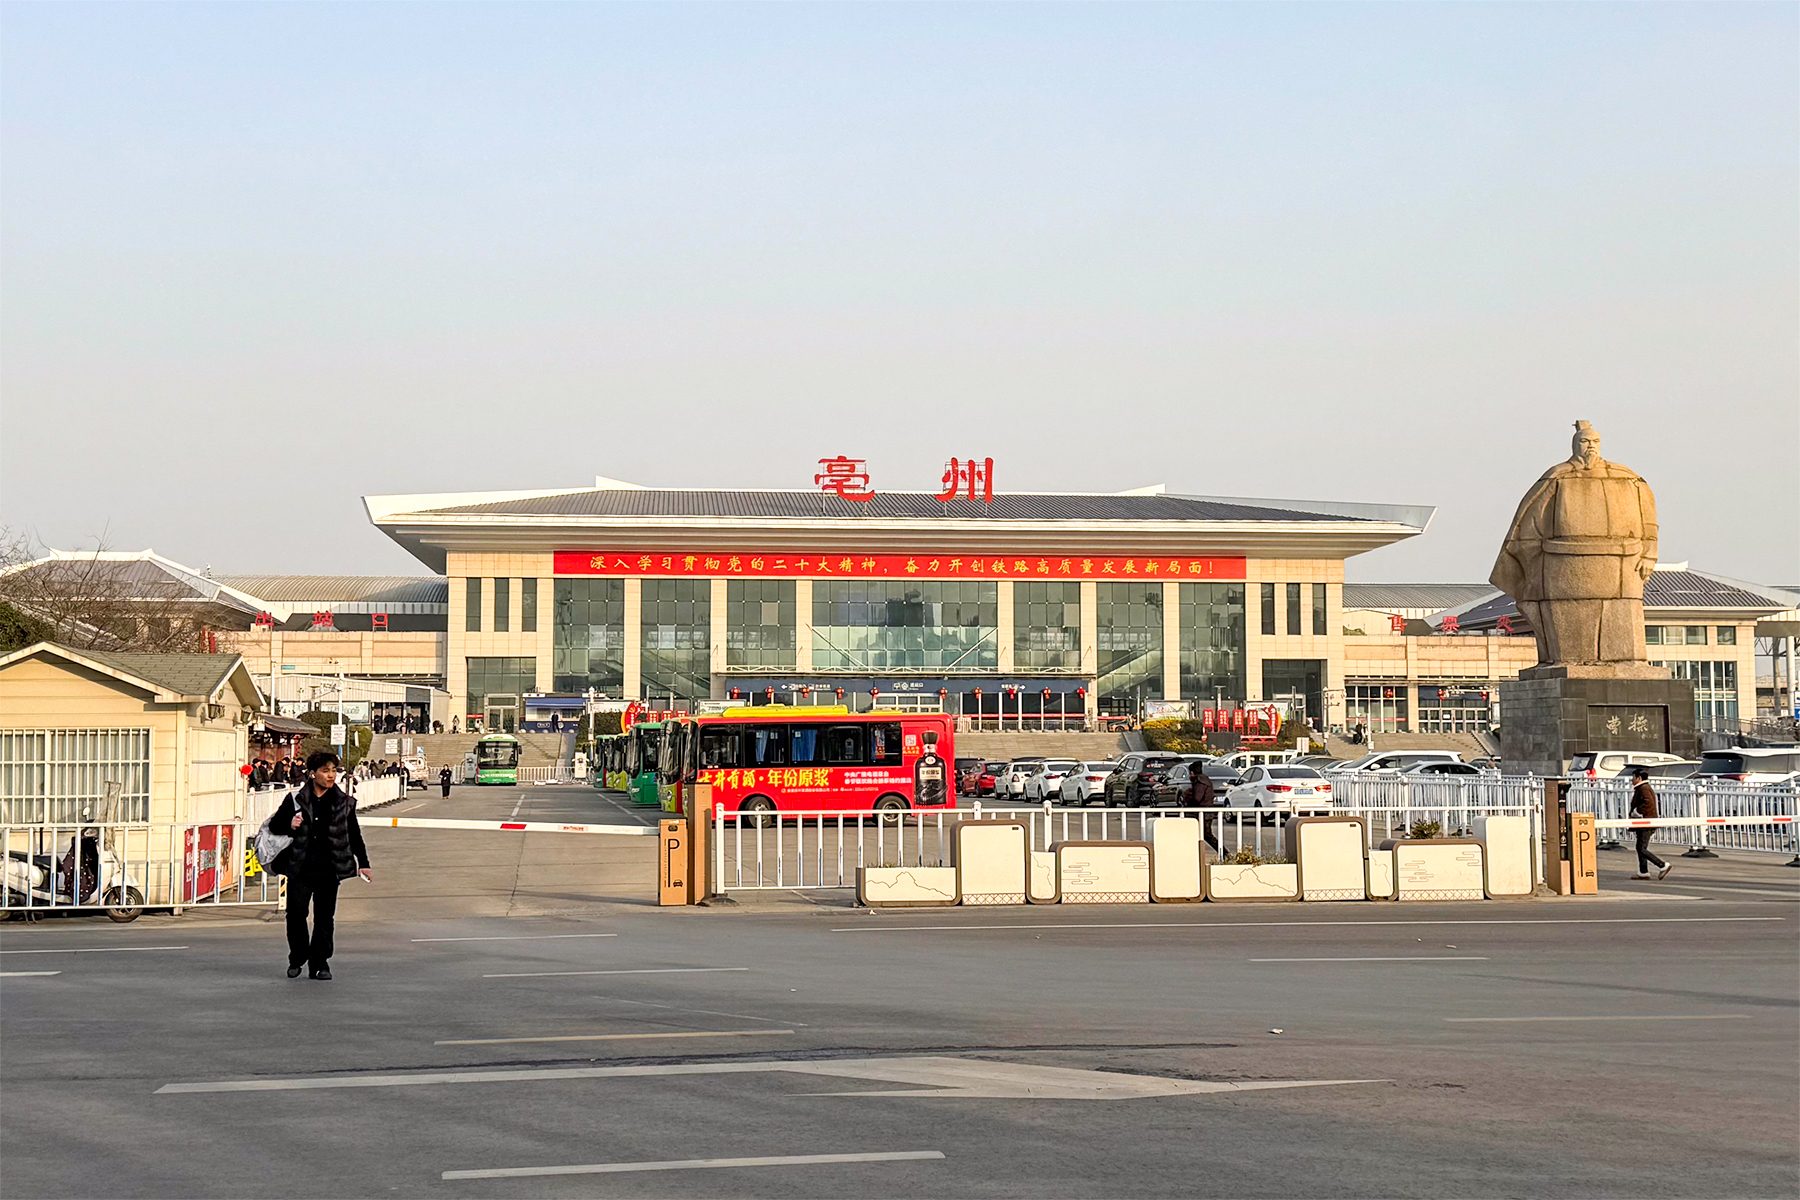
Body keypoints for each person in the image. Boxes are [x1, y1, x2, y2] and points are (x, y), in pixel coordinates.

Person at [268, 750, 371, 980]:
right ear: (313, 774)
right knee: (295, 915)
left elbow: (354, 835)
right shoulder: (295, 800)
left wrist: (363, 863)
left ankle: (320, 963)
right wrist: (290, 824)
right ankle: (297, 957)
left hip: (329, 869)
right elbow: (275, 827)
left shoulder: (345, 802)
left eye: (334, 770)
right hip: (299, 868)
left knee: (325, 918)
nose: (331, 775)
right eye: (325, 771)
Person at [1628, 767, 1673, 881]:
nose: (1631, 779)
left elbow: (1648, 802)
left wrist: (1637, 812)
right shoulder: (1642, 788)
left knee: (1641, 848)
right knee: (1640, 847)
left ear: (1639, 778)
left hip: (1646, 822)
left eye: (1633, 777)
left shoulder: (1644, 788)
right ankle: (1643, 872)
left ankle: (1662, 865)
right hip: (1644, 822)